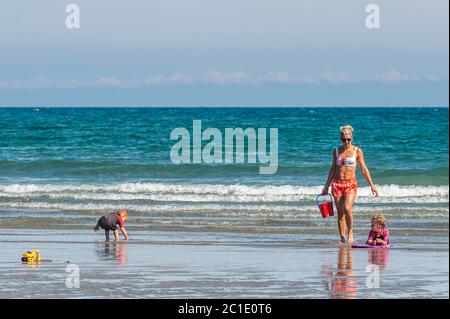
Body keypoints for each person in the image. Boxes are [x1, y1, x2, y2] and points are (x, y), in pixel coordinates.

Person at [322, 125, 378, 243]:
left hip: (350, 184)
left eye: (348, 139)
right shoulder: (336, 151)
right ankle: (342, 238)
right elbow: (333, 169)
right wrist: (326, 186)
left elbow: (363, 169)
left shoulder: (357, 151)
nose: (346, 142)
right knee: (340, 213)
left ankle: (350, 232)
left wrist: (372, 185)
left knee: (347, 208)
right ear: (341, 139)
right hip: (337, 184)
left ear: (351, 138)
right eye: (344, 139)